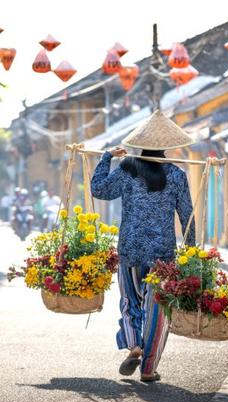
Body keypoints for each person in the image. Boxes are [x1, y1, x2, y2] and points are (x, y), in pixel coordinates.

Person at [91, 110, 195, 383]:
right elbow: (187, 215)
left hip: (130, 249)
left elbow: (99, 190)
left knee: (129, 302)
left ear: (139, 144)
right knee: (159, 309)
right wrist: (192, 253)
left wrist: (106, 158)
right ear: (165, 148)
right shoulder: (176, 175)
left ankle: (133, 344)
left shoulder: (127, 169)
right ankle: (148, 368)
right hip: (162, 253)